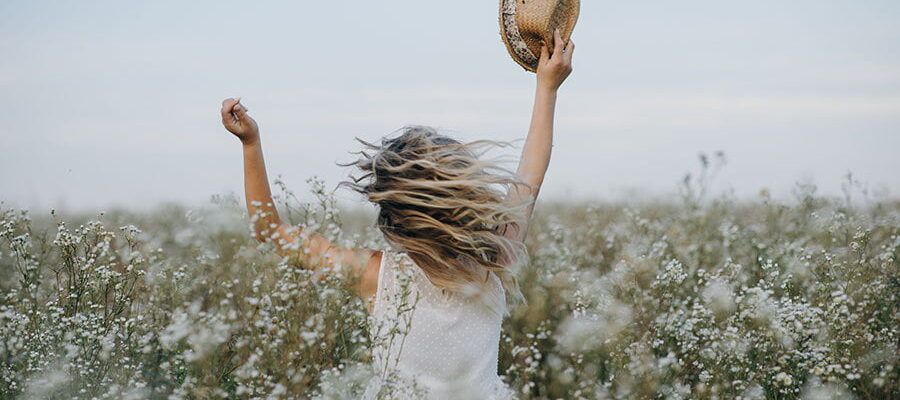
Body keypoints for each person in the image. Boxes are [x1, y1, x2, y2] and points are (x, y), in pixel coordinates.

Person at [220, 29, 574, 400]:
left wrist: (250, 143)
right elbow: (531, 171)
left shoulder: (379, 276)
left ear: (394, 218)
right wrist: (547, 88)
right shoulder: (493, 261)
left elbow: (270, 232)